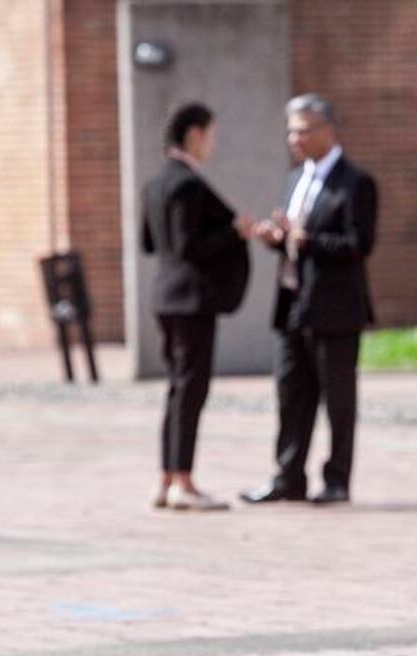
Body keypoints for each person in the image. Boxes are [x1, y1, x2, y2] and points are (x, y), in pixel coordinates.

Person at [239, 94, 378, 506]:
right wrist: (277, 238)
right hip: (292, 304)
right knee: (290, 393)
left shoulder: (356, 183)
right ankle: (288, 476)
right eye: (290, 131)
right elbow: (294, 241)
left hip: (335, 308)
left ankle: (337, 479)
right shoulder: (295, 178)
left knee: (338, 399)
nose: (293, 139)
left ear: (327, 130)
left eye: (301, 130)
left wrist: (309, 240)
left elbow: (360, 244)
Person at [140, 103, 253, 512]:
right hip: (191, 301)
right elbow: (189, 245)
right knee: (191, 390)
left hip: (164, 296)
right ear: (194, 135)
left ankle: (167, 478)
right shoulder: (187, 183)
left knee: (177, 389)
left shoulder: (154, 183)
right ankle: (183, 482)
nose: (212, 145)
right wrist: (234, 232)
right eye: (211, 135)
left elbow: (150, 243)